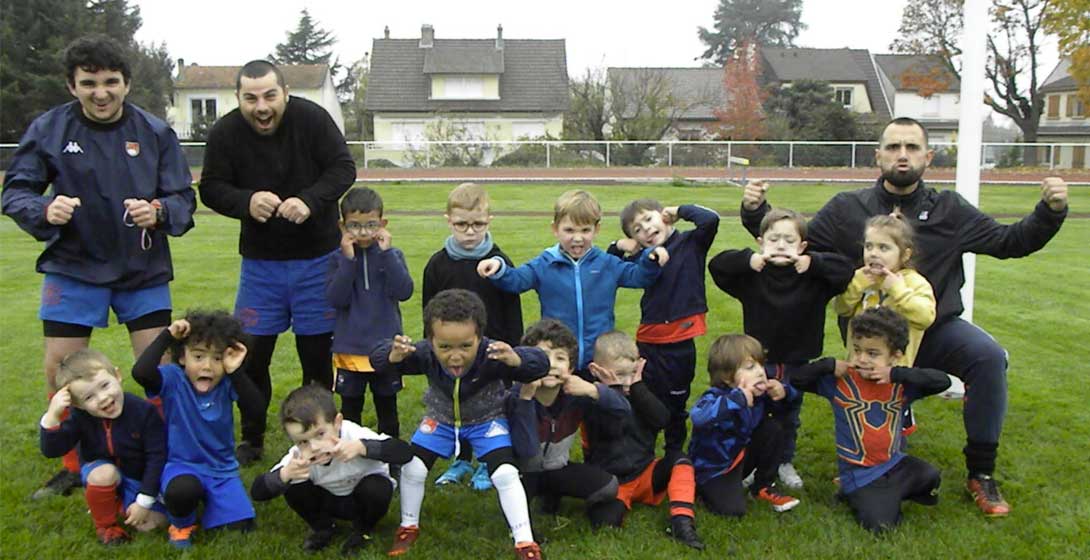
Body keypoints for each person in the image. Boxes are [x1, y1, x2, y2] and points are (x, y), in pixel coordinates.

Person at [740, 116, 1070, 516]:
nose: (902, 155)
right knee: (872, 428)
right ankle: (858, 462)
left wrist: (1050, 211)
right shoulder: (848, 208)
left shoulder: (950, 210)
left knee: (987, 357)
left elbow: (1010, 241)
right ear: (877, 155)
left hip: (932, 327)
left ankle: (981, 473)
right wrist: (756, 210)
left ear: (928, 156)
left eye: (912, 147)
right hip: (870, 341)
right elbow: (792, 237)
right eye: (893, 147)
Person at [2, 34, 195, 498]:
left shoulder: (154, 132)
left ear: (127, 83)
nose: (101, 92)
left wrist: (162, 212)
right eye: (89, 83)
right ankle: (73, 464)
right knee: (60, 369)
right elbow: (15, 193)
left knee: (160, 368)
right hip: (73, 266)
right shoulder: (49, 129)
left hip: (141, 268)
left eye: (111, 82)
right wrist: (44, 211)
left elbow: (183, 199)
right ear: (72, 86)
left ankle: (166, 454)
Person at [198, 59, 356, 465]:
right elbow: (211, 188)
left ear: (285, 92)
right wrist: (245, 201)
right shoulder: (226, 132)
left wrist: (310, 200)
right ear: (238, 99)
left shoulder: (312, 119)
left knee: (316, 357)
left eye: (269, 95)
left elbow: (343, 168)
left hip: (317, 260)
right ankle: (252, 438)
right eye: (250, 98)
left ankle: (319, 435)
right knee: (251, 357)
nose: (261, 106)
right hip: (261, 265)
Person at [370, 289, 548, 559]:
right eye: (445, 347)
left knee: (505, 474)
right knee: (414, 468)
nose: (455, 356)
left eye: (466, 346)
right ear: (430, 340)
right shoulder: (423, 353)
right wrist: (393, 356)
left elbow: (540, 363)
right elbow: (377, 357)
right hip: (440, 421)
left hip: (486, 422)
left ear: (480, 338)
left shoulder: (495, 354)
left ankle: (525, 541)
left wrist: (518, 360)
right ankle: (408, 526)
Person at [708, 207, 855, 489]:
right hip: (757, 361)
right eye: (774, 239)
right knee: (754, 412)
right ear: (761, 242)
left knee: (789, 413)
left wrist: (813, 263)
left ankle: (784, 461)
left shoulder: (814, 277)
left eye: (789, 241)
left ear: (802, 246)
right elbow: (717, 266)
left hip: (798, 360)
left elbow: (845, 270)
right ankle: (752, 461)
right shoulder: (752, 276)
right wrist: (748, 260)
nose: (781, 246)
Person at [791, 307, 951, 532]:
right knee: (881, 526)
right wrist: (828, 365)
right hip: (859, 474)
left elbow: (942, 381)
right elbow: (797, 380)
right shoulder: (840, 382)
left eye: (872, 353)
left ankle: (886, 493)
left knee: (930, 476)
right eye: (857, 350)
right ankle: (854, 491)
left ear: (895, 356)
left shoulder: (902, 385)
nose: (862, 359)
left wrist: (895, 374)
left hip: (894, 463)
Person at [478, 190, 667, 373]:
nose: (578, 238)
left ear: (596, 229)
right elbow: (516, 281)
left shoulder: (607, 264)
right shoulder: (545, 264)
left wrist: (650, 258)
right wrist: (498, 267)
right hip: (558, 358)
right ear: (555, 229)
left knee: (596, 403)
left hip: (599, 359)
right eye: (569, 230)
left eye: (585, 230)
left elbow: (639, 277)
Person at [131, 310, 264, 548]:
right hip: (181, 465)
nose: (207, 366)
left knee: (241, 527)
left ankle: (209, 500)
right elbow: (141, 373)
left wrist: (236, 371)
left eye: (217, 358)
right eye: (199, 356)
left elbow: (256, 409)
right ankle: (181, 524)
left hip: (221, 469)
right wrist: (167, 336)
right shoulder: (174, 379)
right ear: (182, 357)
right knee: (182, 492)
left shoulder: (228, 382)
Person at [423, 182, 522, 491]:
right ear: (448, 220)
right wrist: (431, 349)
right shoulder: (438, 264)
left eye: (477, 224)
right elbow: (429, 311)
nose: (470, 231)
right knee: (457, 404)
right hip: (453, 351)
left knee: (491, 406)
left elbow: (511, 307)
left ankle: (486, 462)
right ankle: (461, 458)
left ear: (489, 220)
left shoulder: (499, 262)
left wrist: (513, 349)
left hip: (491, 350)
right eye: (461, 224)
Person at [608, 200, 719, 454]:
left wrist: (679, 211)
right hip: (649, 341)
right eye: (637, 229)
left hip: (681, 342)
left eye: (648, 219)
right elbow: (609, 267)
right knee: (641, 398)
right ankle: (642, 452)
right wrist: (618, 246)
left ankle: (674, 453)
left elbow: (710, 219)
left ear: (663, 217)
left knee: (676, 402)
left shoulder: (691, 243)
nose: (645, 229)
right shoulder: (643, 257)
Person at [251, 384, 414, 555]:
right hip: (328, 500)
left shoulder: (354, 435)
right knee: (291, 483)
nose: (314, 447)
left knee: (378, 486)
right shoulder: (298, 457)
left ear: (337, 423)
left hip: (362, 498)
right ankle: (322, 528)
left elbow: (404, 452)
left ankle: (363, 529)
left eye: (320, 434)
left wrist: (362, 448)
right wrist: (284, 474)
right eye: (302, 441)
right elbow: (257, 493)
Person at [581, 331, 704, 551]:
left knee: (680, 460)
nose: (627, 381)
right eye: (619, 375)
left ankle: (682, 522)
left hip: (645, 472)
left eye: (632, 373)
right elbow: (612, 429)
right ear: (595, 371)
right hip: (612, 481)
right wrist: (614, 392)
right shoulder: (591, 399)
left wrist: (638, 387)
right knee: (606, 522)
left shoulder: (638, 390)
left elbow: (661, 420)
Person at [505, 319, 629, 529]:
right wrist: (525, 401)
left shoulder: (575, 394)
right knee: (527, 479)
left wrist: (593, 390)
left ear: (570, 368)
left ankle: (552, 494)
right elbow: (528, 451)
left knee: (609, 486)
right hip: (521, 473)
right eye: (542, 357)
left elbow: (623, 410)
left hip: (556, 468)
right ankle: (521, 517)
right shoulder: (516, 396)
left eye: (560, 358)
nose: (552, 364)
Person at [39, 348, 168, 545]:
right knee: (104, 474)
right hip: (102, 470)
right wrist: (52, 417)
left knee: (152, 525)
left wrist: (144, 499)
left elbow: (157, 457)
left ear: (117, 375)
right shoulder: (80, 417)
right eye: (89, 397)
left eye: (105, 385)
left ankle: (118, 503)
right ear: (78, 405)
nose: (103, 398)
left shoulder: (144, 411)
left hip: (137, 476)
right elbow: (51, 450)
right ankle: (106, 526)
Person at [326, 187, 412, 439]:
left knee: (387, 409)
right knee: (351, 410)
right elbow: (336, 299)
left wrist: (386, 255)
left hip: (386, 348)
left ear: (383, 224)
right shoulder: (337, 259)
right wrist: (349, 260)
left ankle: (390, 459)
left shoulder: (392, 255)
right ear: (343, 226)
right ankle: (351, 459)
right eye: (355, 226)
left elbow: (404, 291)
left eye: (370, 225)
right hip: (349, 348)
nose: (363, 233)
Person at [689, 334, 807, 517]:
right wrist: (737, 399)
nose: (760, 371)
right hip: (715, 469)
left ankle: (762, 486)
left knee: (773, 427)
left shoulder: (760, 395)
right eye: (750, 367)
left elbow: (789, 406)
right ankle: (702, 490)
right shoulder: (716, 396)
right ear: (728, 378)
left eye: (761, 364)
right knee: (733, 511)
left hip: (741, 458)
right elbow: (698, 416)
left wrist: (784, 392)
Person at [834, 213, 935, 367]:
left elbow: (925, 317)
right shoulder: (861, 278)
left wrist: (898, 291)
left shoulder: (913, 282)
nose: (873, 253)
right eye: (869, 246)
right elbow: (841, 309)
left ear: (905, 255)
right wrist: (856, 285)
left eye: (883, 248)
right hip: (857, 366)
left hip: (894, 373)